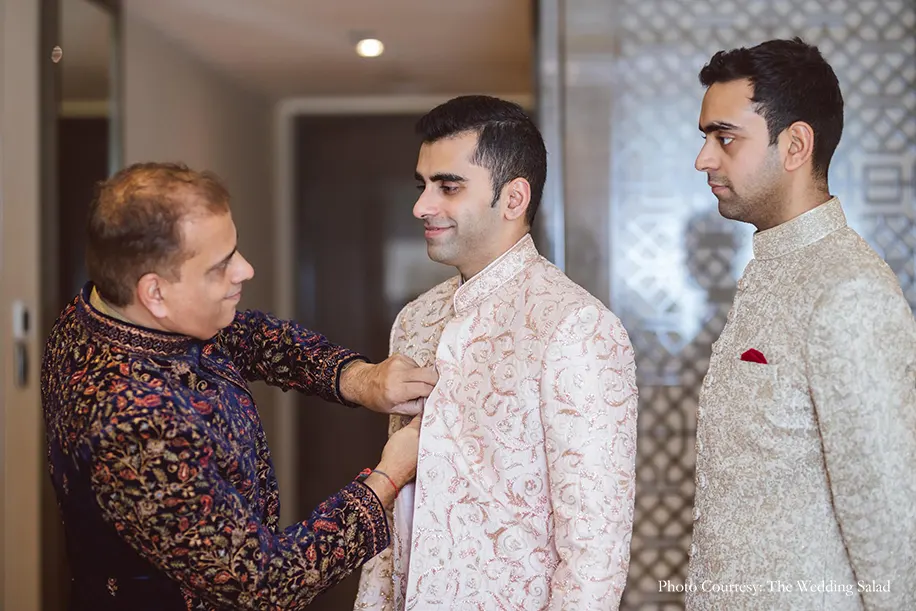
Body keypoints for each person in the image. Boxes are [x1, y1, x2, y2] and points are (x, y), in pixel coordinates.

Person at [41, 162, 439, 610]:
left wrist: (359, 379)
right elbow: (264, 581)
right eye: (220, 266)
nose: (245, 270)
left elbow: (251, 338)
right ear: (154, 293)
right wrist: (387, 479)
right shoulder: (134, 423)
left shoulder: (105, 307)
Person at [353, 95, 638, 611]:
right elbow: (402, 513)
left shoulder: (576, 327)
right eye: (423, 186)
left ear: (513, 198)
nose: (421, 206)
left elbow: (595, 554)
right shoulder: (415, 321)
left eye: (449, 186)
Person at [687, 38, 916, 610]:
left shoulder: (848, 289)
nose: (704, 159)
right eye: (706, 138)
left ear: (795, 144)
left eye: (725, 137)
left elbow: (889, 519)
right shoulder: (774, 269)